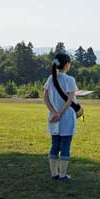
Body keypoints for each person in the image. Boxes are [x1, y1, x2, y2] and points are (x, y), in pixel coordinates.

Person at [43, 53, 79, 182]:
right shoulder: (70, 80)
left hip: (53, 117)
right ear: (67, 64)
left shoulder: (50, 79)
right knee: (65, 145)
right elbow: (70, 100)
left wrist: (54, 112)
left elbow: (45, 98)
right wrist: (60, 113)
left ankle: (54, 174)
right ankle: (63, 175)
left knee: (55, 144)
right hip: (66, 117)